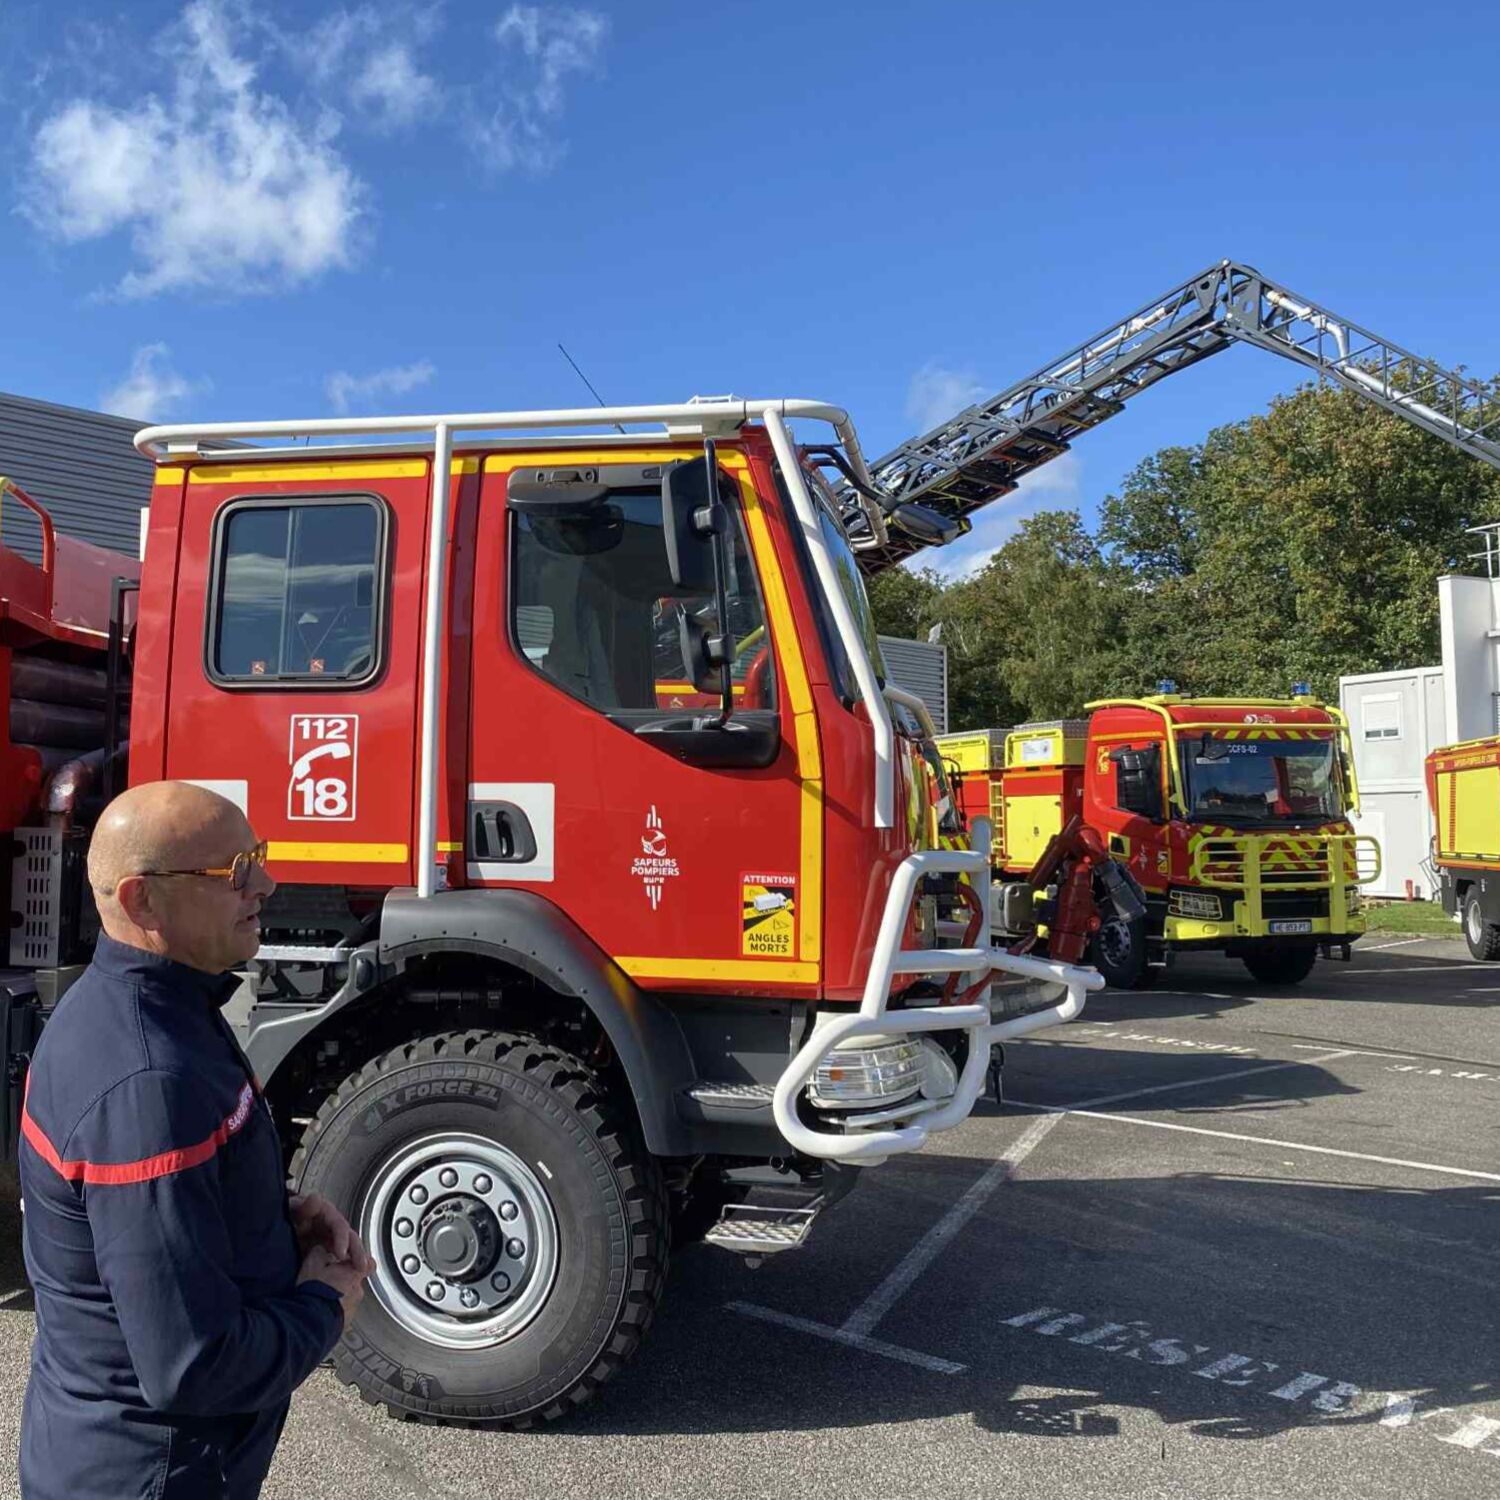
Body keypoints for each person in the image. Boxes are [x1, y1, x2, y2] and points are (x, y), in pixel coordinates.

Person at [17, 781, 374, 1500]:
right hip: (147, 1477)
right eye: (235, 871)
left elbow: (161, 1212)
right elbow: (192, 1365)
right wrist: (324, 1306)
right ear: (142, 901)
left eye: (258, 857)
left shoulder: (160, 1006)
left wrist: (280, 1216)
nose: (265, 885)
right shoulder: (148, 1080)